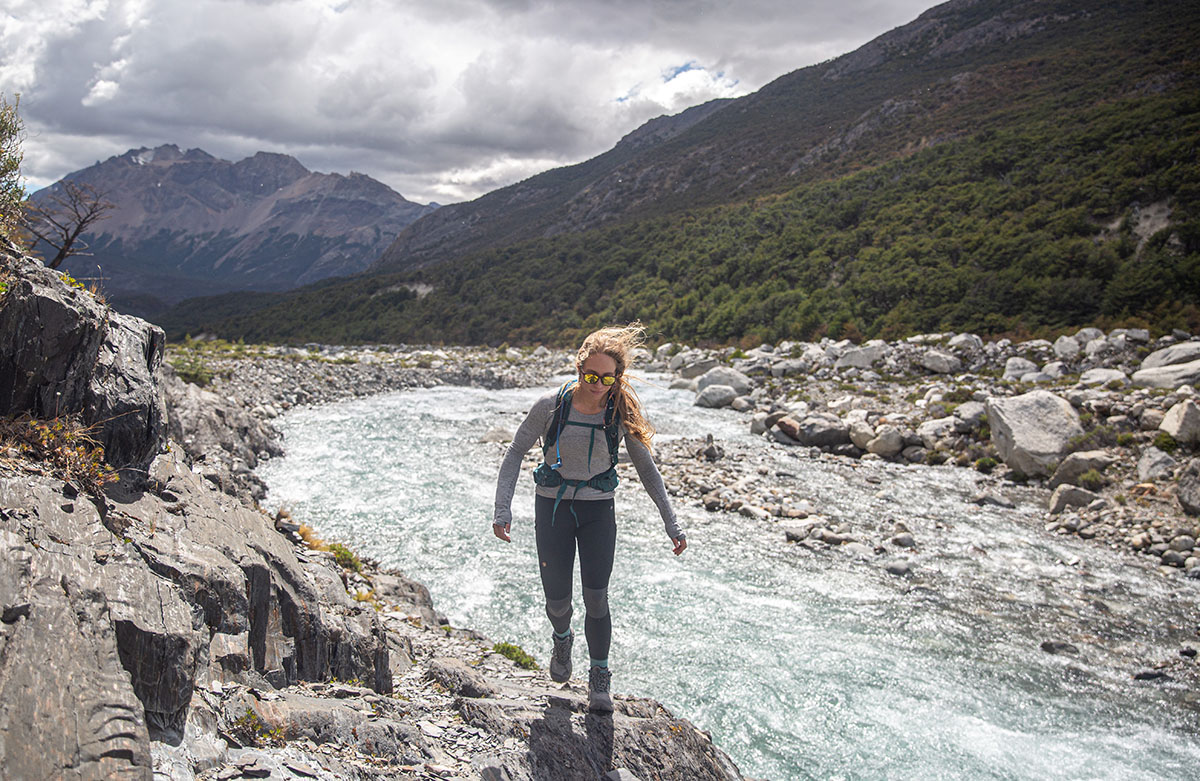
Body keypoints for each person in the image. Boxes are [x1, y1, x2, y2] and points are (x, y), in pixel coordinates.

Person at [492, 322, 687, 712]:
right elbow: (515, 452)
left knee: (596, 598)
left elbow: (647, 469)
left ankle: (599, 676)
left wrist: (672, 522)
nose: (598, 384)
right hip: (553, 507)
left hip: (599, 509)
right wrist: (503, 508)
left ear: (617, 378)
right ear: (579, 369)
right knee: (558, 601)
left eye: (607, 377)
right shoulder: (551, 406)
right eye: (591, 376)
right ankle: (562, 639)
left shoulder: (618, 410)